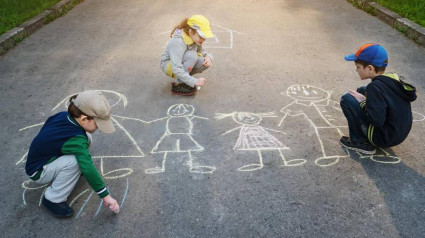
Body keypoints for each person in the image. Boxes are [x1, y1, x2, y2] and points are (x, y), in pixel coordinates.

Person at [25, 90, 120, 218]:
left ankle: (66, 171)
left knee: (86, 138)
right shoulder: (75, 139)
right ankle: (53, 199)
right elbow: (87, 166)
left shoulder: (63, 116)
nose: (98, 128)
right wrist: (105, 196)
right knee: (76, 161)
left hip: (47, 158)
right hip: (38, 171)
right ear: (84, 119)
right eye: (98, 124)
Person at [340, 43, 417, 154]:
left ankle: (360, 142)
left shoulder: (375, 88)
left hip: (383, 138)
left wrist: (363, 102)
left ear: (370, 68)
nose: (356, 70)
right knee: (363, 90)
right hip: (396, 134)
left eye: (358, 67)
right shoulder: (392, 79)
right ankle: (368, 137)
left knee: (347, 99)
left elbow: (376, 120)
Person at [160, 15, 214, 96]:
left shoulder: (195, 39)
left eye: (205, 37)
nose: (203, 39)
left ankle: (184, 79)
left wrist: (209, 57)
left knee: (204, 62)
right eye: (201, 36)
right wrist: (194, 81)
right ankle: (178, 85)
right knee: (192, 56)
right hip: (169, 65)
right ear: (191, 32)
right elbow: (176, 68)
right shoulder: (178, 42)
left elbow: (203, 53)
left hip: (181, 62)